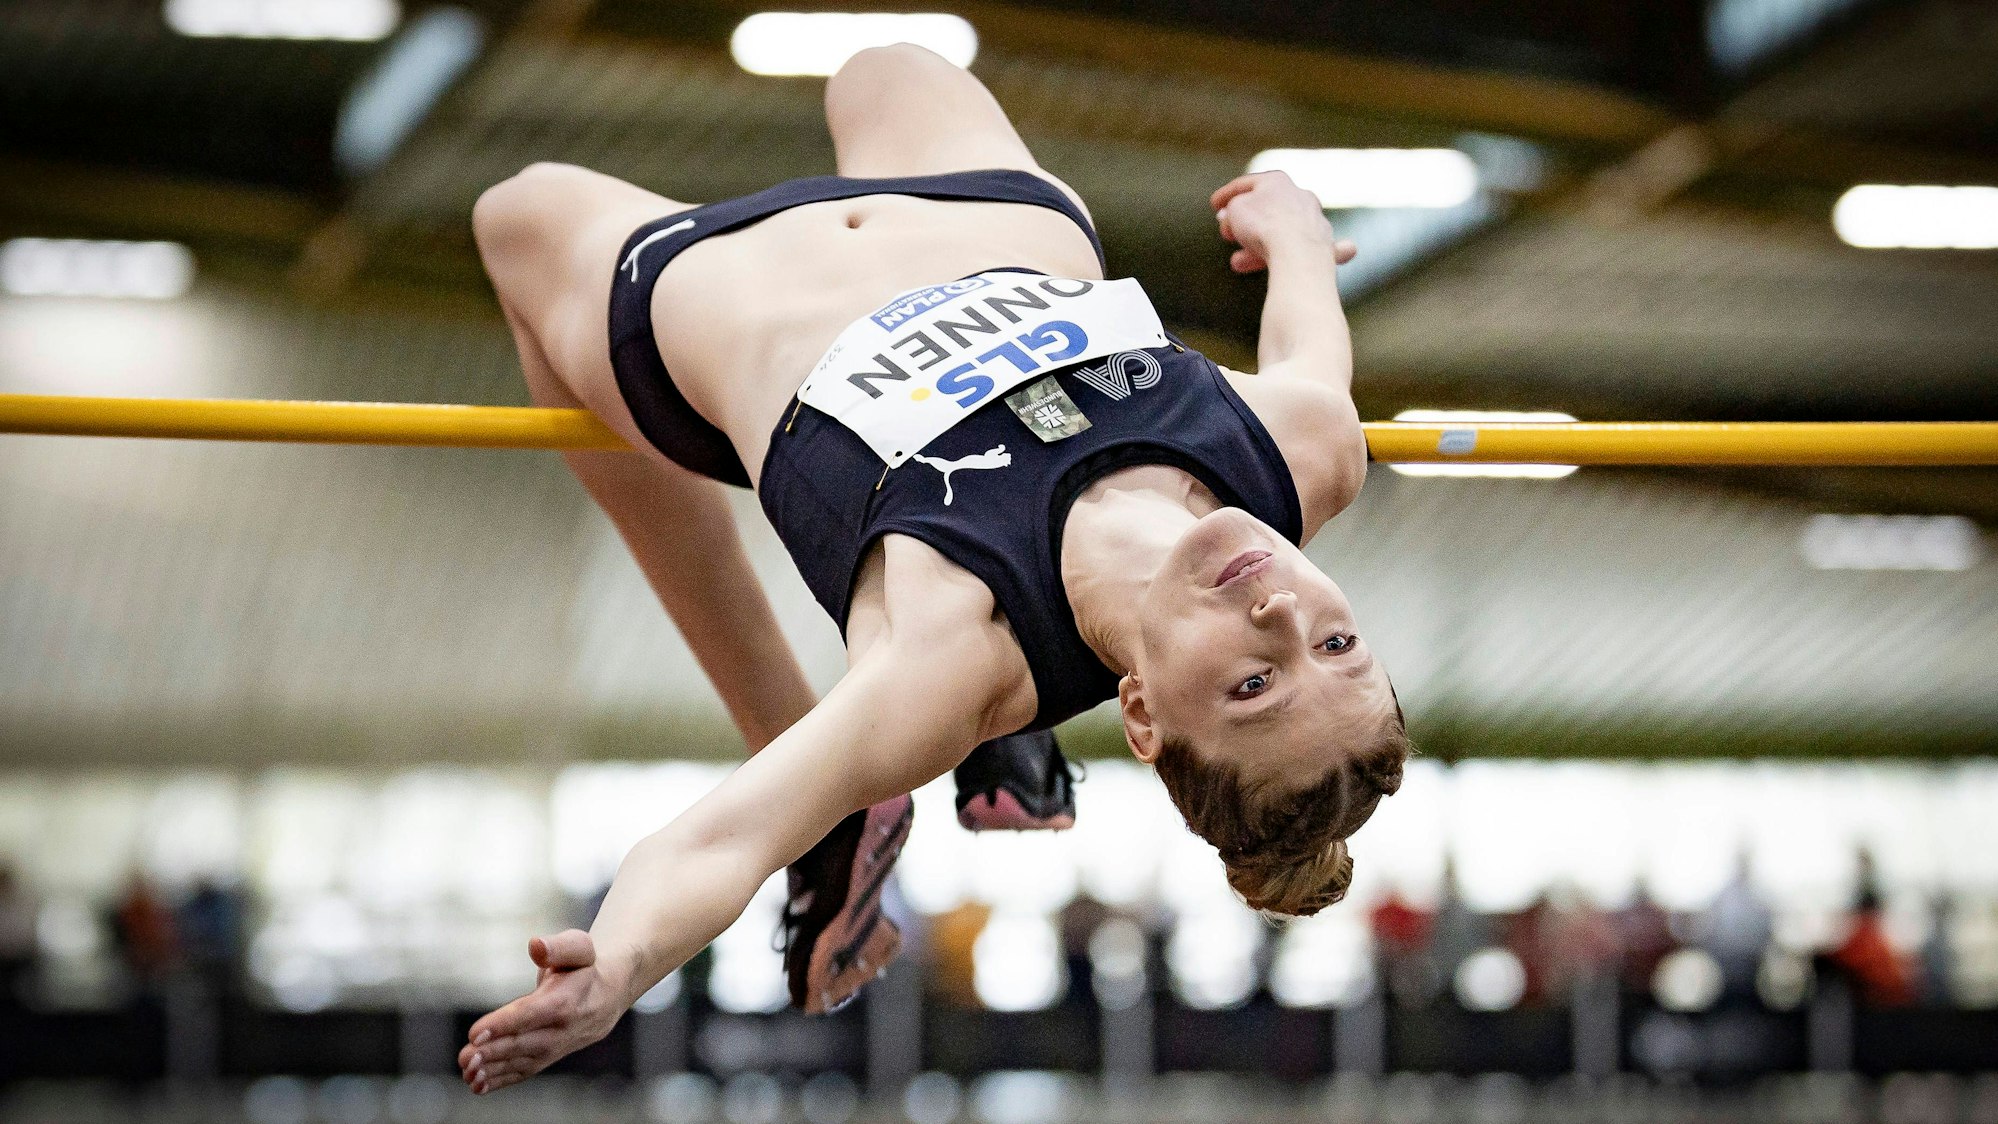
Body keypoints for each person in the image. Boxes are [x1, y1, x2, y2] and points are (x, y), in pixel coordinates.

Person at [457, 42, 1408, 1095]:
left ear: (1141, 716)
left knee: (514, 213)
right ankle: (977, 758)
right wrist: (1301, 241)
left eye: (1253, 682)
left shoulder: (957, 654)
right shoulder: (1304, 453)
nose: (1279, 611)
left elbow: (718, 840)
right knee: (881, 66)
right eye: (1336, 641)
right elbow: (1313, 349)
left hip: (720, 289)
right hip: (984, 213)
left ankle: (827, 771)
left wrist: (620, 964)